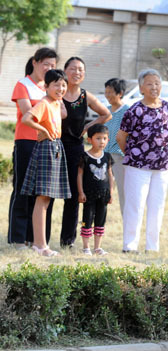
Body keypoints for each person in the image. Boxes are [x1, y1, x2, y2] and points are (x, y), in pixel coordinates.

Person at [117, 69, 168, 253]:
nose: (154, 87)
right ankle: (130, 245)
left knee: (157, 206)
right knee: (135, 205)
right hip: (138, 166)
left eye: (157, 83)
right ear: (141, 88)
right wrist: (133, 155)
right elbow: (121, 137)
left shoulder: (167, 107)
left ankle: (152, 247)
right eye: (149, 84)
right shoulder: (134, 110)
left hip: (162, 166)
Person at [8, 47, 58, 248]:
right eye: (46, 64)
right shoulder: (23, 85)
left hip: (47, 144)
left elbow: (61, 113)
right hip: (26, 142)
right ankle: (18, 238)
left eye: (53, 66)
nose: (48, 68)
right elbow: (28, 113)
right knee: (22, 189)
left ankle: (35, 238)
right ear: (35, 62)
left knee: (41, 191)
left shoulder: (50, 88)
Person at [60, 56, 111, 249]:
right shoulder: (57, 92)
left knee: (73, 197)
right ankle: (41, 240)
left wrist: (88, 127)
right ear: (65, 71)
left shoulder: (85, 96)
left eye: (80, 69)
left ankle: (67, 241)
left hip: (75, 149)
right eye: (72, 69)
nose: (76, 73)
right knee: (45, 195)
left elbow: (106, 114)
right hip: (54, 146)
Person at [20, 69, 71, 257]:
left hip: (55, 146)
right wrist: (42, 128)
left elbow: (62, 115)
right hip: (47, 148)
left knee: (46, 198)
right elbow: (27, 118)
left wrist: (59, 98)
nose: (61, 88)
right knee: (42, 198)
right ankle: (40, 245)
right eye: (56, 84)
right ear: (46, 86)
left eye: (64, 85)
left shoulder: (56, 103)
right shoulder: (44, 102)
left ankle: (40, 244)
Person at [77, 124, 114, 256]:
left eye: (104, 138)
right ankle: (86, 247)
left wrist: (111, 192)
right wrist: (80, 192)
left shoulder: (107, 156)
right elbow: (80, 175)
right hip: (89, 195)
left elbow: (110, 175)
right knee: (87, 218)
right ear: (89, 140)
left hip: (103, 195)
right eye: (98, 138)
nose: (102, 141)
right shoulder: (85, 157)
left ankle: (97, 247)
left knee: (100, 220)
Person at [103, 78, 129, 216]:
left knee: (124, 192)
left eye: (111, 92)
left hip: (119, 157)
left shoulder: (127, 111)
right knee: (102, 190)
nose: (107, 95)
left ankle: (128, 222)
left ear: (120, 93)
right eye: (106, 92)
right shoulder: (105, 111)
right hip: (104, 157)